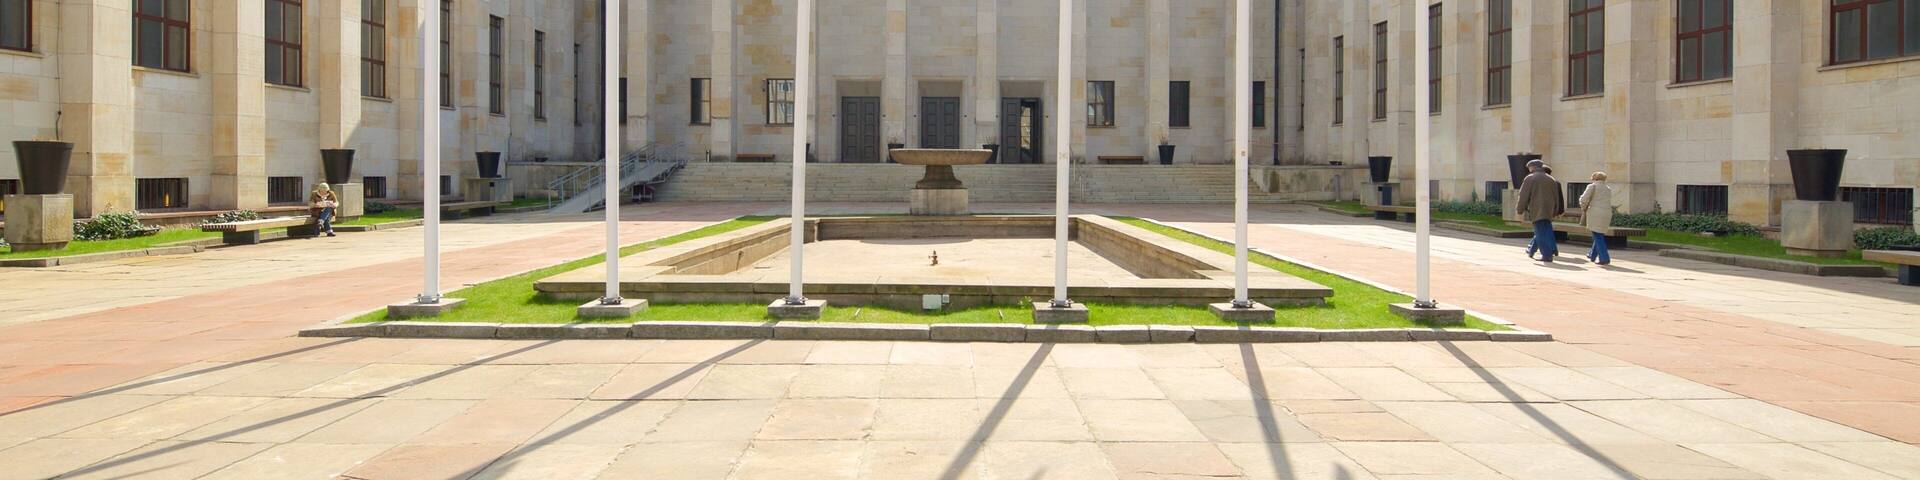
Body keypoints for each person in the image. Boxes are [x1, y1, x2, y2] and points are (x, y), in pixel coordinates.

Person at [1514, 159, 1565, 262]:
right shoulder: (1551, 179)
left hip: (1537, 208)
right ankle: (1532, 250)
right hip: (1549, 209)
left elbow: (1523, 196)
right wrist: (1555, 210)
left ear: (1532, 167)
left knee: (1540, 232)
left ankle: (1546, 255)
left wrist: (1520, 209)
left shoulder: (1530, 178)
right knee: (1543, 231)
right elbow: (1556, 197)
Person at [1579, 171, 1616, 265]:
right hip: (1607, 212)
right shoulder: (1608, 188)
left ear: (1594, 178)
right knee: (1599, 233)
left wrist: (1583, 207)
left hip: (1595, 212)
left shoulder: (1592, 186)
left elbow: (1583, 199)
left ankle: (1604, 257)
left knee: (1597, 235)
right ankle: (1592, 254)